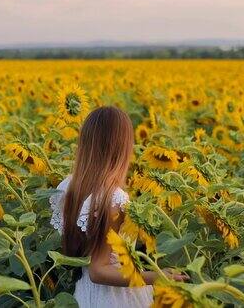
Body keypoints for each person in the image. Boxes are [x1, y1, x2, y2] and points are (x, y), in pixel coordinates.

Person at [49, 106, 188, 308]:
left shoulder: (72, 186)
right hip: (115, 297)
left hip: (85, 292)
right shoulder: (112, 198)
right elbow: (99, 270)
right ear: (121, 148)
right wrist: (157, 276)